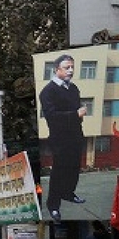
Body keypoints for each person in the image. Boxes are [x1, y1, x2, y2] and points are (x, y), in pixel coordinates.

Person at [40, 53, 87, 222]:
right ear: (57, 69)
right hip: (60, 139)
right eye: (67, 67)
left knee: (74, 167)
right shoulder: (48, 91)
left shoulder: (73, 88)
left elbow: (76, 112)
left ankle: (68, 193)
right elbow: (52, 116)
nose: (71, 70)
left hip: (75, 135)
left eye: (72, 67)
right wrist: (75, 114)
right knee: (59, 171)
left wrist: (78, 116)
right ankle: (53, 206)